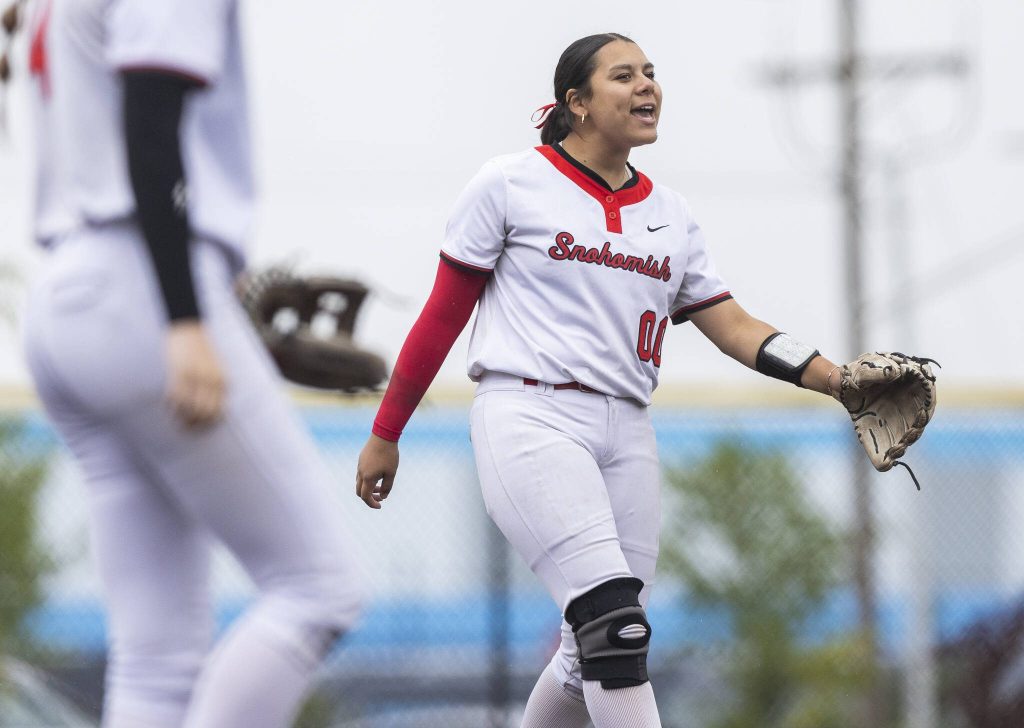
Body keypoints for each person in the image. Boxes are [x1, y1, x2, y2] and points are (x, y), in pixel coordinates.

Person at [356, 32, 849, 728]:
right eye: (624, 76)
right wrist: (387, 432)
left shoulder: (670, 215)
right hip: (530, 415)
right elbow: (442, 315)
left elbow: (731, 323)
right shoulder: (510, 183)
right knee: (614, 628)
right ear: (577, 104)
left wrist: (838, 379)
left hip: (627, 429)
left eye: (651, 73)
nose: (647, 86)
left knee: (588, 652)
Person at [18, 1, 364, 726]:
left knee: (156, 655)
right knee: (317, 588)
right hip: (141, 283)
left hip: (65, 301)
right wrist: (184, 317)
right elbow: (150, 119)